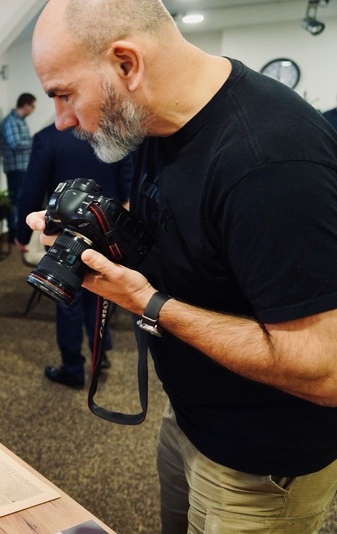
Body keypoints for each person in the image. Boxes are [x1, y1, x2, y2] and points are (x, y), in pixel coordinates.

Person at [28, 1, 337, 532]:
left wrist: (147, 303)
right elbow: (187, 234)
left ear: (126, 64)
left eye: (64, 94)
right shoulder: (157, 124)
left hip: (258, 459)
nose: (62, 120)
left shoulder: (269, 162)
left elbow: (325, 369)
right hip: (190, 415)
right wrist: (103, 233)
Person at [16, 125, 132, 389]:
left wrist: (21, 234)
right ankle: (99, 354)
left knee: (67, 299)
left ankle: (72, 368)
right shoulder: (115, 132)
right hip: (106, 230)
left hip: (64, 234)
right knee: (100, 293)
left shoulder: (47, 138)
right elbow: (128, 188)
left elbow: (32, 188)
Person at [0, 93, 37, 240]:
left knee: (21, 200)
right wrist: (34, 142)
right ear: (25, 105)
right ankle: (13, 232)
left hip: (23, 166)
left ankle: (19, 230)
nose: (33, 110)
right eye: (32, 106)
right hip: (15, 168)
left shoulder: (21, 121)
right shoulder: (11, 121)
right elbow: (15, 144)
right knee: (14, 200)